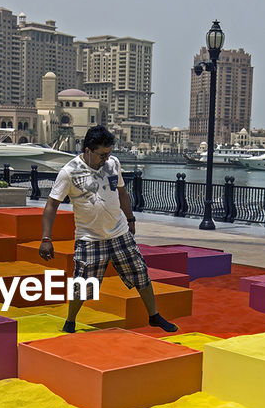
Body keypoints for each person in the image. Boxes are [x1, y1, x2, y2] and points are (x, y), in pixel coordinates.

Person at [40, 125, 178, 334]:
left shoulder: (113, 163)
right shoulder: (69, 172)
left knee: (140, 273)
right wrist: (46, 238)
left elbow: (122, 192)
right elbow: (52, 205)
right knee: (83, 284)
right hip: (89, 238)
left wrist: (130, 219)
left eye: (109, 153)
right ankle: (70, 321)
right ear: (88, 150)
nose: (106, 159)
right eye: (102, 154)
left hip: (119, 233)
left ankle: (154, 316)